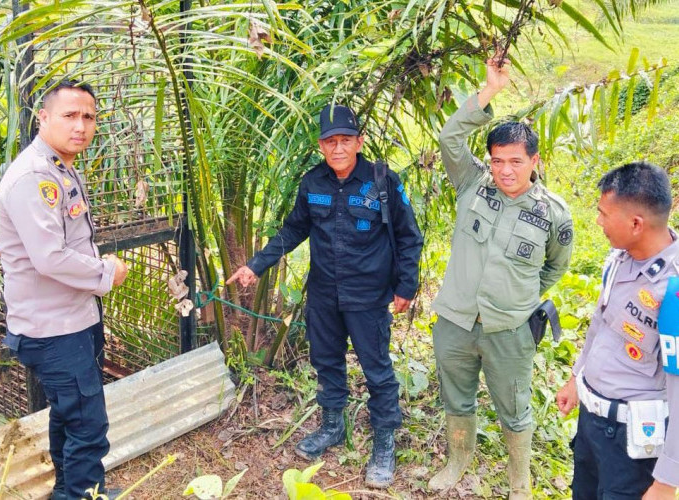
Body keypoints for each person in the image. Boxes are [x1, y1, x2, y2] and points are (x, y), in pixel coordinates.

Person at [227, 103, 423, 488]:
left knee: (377, 369)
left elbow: (408, 235)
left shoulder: (383, 181)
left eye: (345, 141)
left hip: (367, 296)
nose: (337, 149)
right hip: (323, 295)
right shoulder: (312, 183)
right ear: (321, 146)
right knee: (327, 362)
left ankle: (384, 442)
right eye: (330, 142)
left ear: (359, 142)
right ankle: (333, 425)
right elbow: (292, 230)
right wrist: (255, 265)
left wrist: (406, 285)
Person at [428, 56, 574, 498]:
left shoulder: (554, 214)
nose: (505, 170)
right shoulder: (474, 184)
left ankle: (519, 483)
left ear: (535, 160)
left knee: (515, 410)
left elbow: (555, 267)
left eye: (514, 161)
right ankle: (457, 462)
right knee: (457, 398)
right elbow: (449, 137)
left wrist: (516, 297)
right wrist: (488, 92)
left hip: (509, 330)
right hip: (455, 321)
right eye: (497, 161)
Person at [0, 80, 128, 500]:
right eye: (70, 115)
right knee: (87, 424)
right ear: (44, 118)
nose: (81, 126)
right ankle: (83, 494)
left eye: (88, 117)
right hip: (53, 330)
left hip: (72, 318)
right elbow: (50, 258)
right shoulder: (34, 176)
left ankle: (74, 490)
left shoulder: (59, 166)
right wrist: (106, 272)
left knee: (69, 417)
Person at [556, 161, 678, 499]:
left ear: (636, 223)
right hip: (592, 425)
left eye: (603, 214)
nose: (597, 221)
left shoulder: (674, 290)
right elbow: (601, 322)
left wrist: (667, 481)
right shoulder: (619, 258)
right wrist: (576, 378)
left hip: (632, 443)